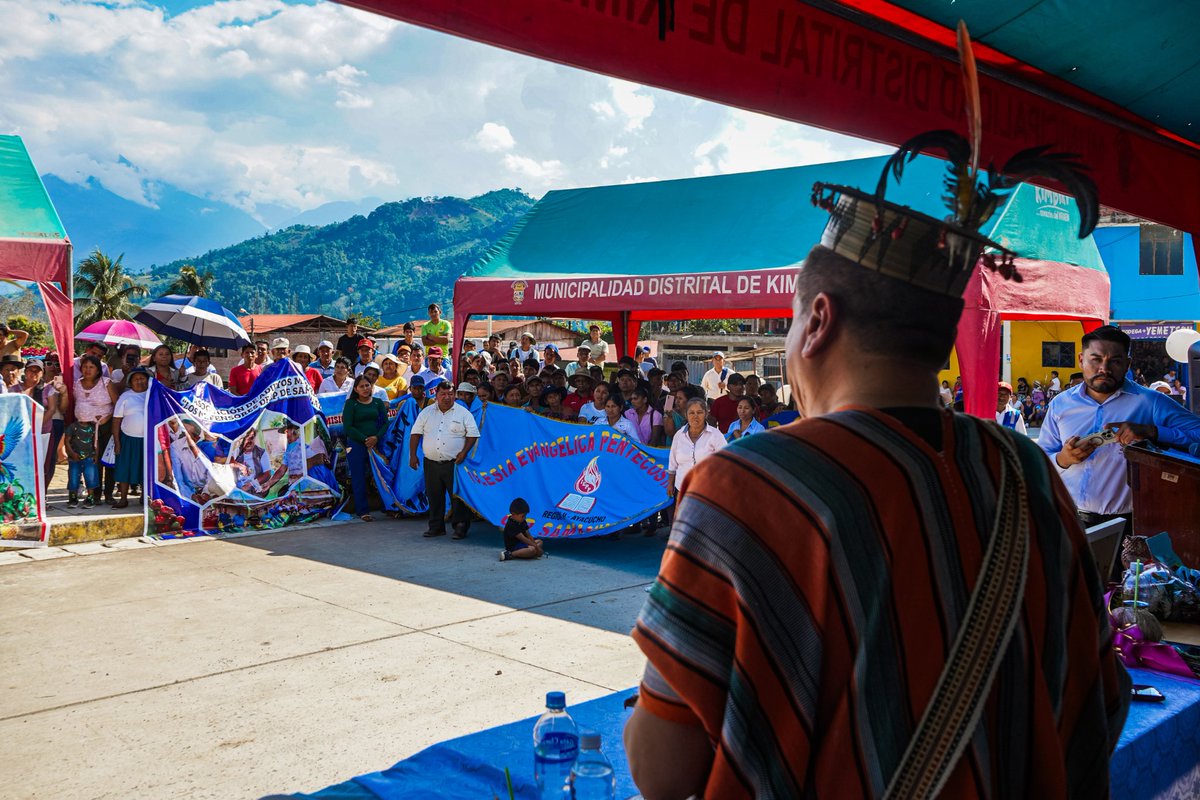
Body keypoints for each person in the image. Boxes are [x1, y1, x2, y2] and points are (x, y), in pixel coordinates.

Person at [625, 168, 1130, 799]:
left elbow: (662, 769)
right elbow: (1101, 704)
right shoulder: (1029, 473)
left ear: (816, 323)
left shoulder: (744, 485)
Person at [1038, 325, 1200, 537]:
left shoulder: (1150, 402)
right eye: (1095, 359)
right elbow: (1039, 459)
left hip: (1130, 525)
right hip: (1068, 519)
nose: (1104, 368)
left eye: (1115, 360)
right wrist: (1062, 459)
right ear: (1080, 359)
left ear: (1127, 364)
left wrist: (1153, 431)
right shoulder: (1060, 404)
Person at [409, 381, 479, 539]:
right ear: (436, 396)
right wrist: (412, 455)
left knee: (457, 497)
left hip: (454, 463)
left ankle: (460, 527)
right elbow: (415, 434)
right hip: (431, 462)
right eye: (443, 394)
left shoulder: (463, 413)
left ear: (454, 395)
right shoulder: (426, 412)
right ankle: (436, 527)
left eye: (450, 394)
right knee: (434, 496)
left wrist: (464, 452)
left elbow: (473, 434)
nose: (447, 397)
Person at [341, 375, 388, 520]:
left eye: (367, 385)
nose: (365, 388)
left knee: (381, 476)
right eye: (361, 386)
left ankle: (388, 507)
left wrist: (376, 438)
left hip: (376, 443)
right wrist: (365, 439)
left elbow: (385, 423)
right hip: (356, 444)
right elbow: (348, 427)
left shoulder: (378, 403)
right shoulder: (351, 404)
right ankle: (363, 511)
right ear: (356, 389)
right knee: (358, 477)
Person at [74, 354, 118, 504]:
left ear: (98, 370)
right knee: (92, 462)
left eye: (91, 367)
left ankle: (109, 494)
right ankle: (95, 494)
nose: (87, 370)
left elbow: (117, 404)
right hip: (85, 429)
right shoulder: (77, 384)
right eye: (85, 367)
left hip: (106, 427)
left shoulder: (106, 383)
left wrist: (108, 417)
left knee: (107, 460)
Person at [111, 368, 150, 508]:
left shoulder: (153, 394)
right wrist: (117, 441)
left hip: (147, 440)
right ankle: (123, 498)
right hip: (127, 437)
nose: (139, 381)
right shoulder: (125, 397)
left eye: (142, 378)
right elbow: (116, 420)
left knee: (145, 468)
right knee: (124, 469)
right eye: (136, 379)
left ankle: (144, 496)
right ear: (131, 382)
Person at [64, 415, 99, 509]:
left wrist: (96, 455)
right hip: (74, 458)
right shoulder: (72, 427)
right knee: (73, 477)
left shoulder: (93, 427)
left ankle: (90, 497)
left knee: (90, 477)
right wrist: (72, 453)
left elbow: (96, 442)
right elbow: (66, 441)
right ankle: (73, 498)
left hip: (90, 457)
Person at [499, 497, 544, 561]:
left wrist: (534, 545)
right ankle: (510, 554)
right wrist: (536, 548)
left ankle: (528, 552)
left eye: (525, 516)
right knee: (532, 550)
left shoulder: (522, 521)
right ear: (513, 514)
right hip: (514, 547)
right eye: (523, 516)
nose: (524, 518)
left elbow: (528, 535)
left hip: (522, 544)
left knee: (540, 541)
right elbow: (523, 538)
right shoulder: (511, 524)